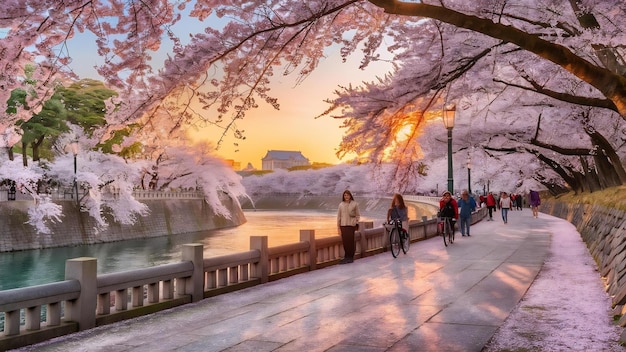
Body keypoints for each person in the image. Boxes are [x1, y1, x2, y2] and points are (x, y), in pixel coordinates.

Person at [337, 190, 360, 264]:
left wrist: (355, 222)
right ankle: (346, 257)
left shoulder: (354, 204)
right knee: (345, 242)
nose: (346, 197)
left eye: (347, 195)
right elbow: (338, 217)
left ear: (350, 196)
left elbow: (358, 215)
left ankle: (350, 257)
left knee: (350, 241)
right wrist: (338, 227)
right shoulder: (341, 205)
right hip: (343, 225)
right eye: (345, 195)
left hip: (351, 225)